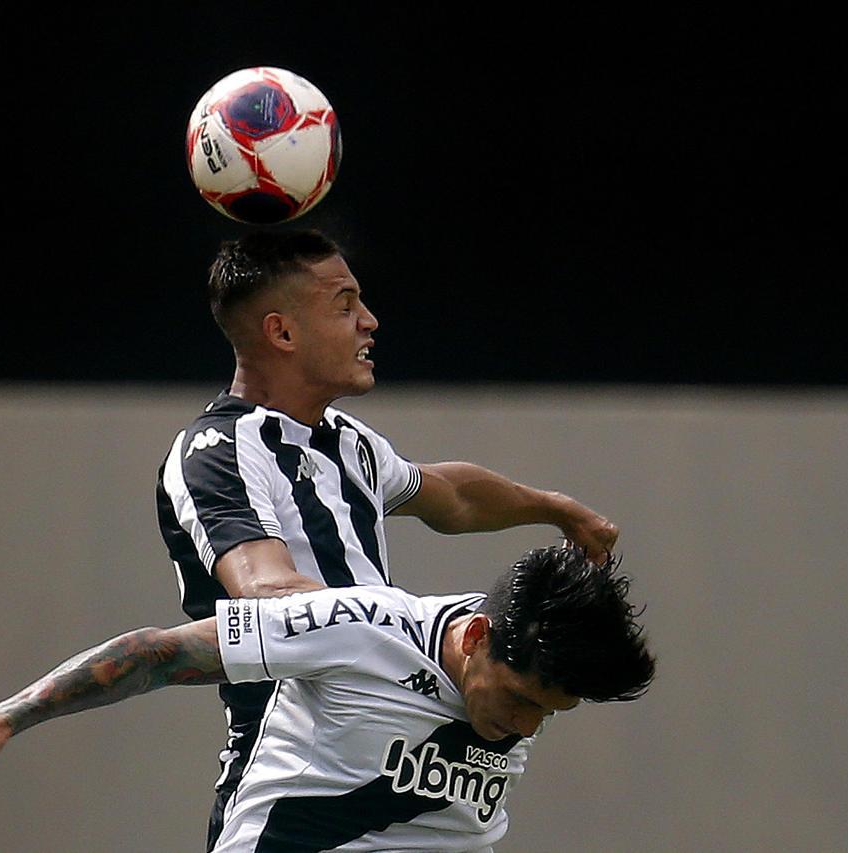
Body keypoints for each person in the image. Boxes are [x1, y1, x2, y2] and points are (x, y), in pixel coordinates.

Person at [156, 230, 623, 846]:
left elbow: (450, 496)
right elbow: (265, 591)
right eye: (345, 304)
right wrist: (382, 631)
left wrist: (555, 509)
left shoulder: (348, 443)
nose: (369, 322)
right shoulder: (219, 451)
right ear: (283, 333)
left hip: (386, 741)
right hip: (302, 771)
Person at [0, 545, 655, 851]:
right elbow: (157, 652)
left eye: (548, 714)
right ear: (478, 636)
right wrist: (9, 714)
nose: (523, 726)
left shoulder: (525, 662)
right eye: (519, 699)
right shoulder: (363, 624)